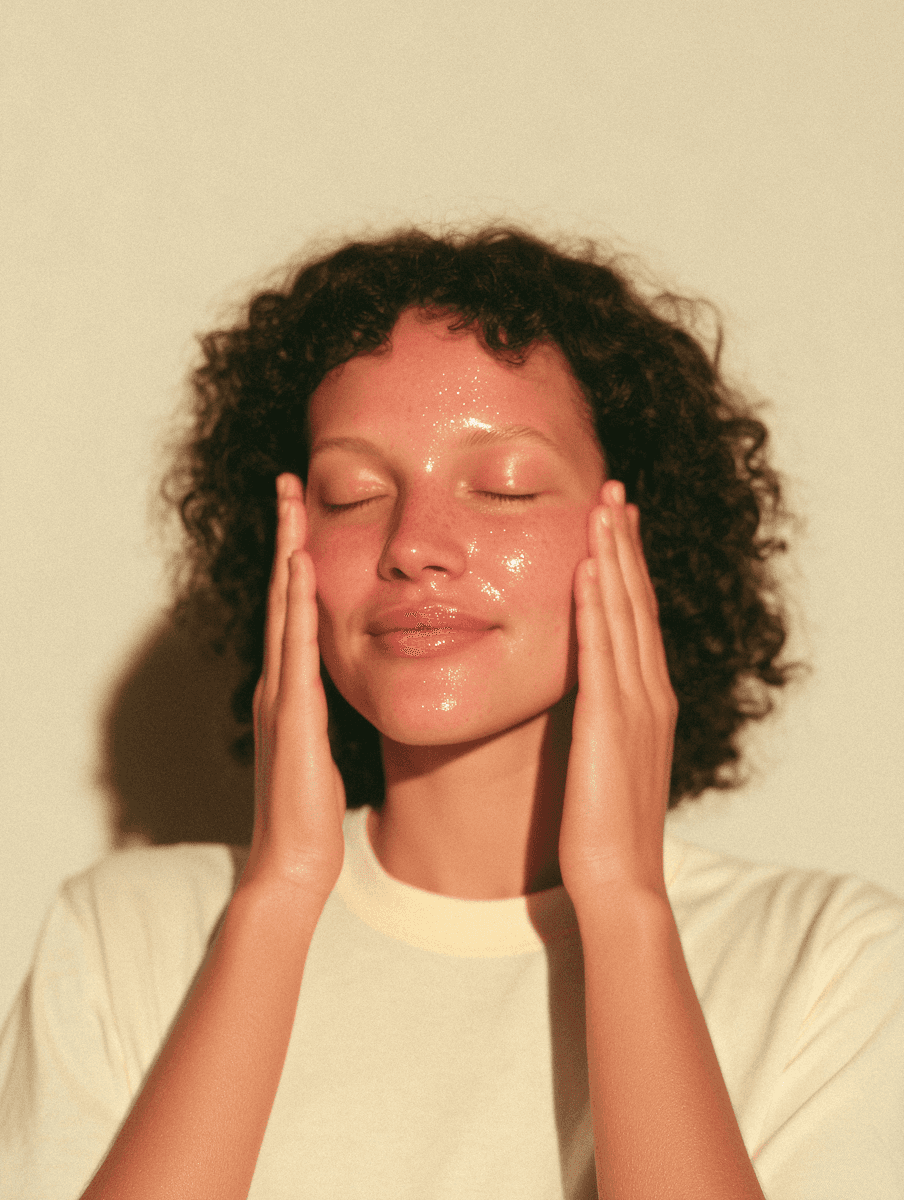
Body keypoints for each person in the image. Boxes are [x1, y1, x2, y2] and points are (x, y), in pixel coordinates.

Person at [1, 227, 902, 1199]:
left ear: (642, 537)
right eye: (352, 494)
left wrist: (622, 903)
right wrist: (280, 897)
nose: (413, 544)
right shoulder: (127, 938)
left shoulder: (824, 962)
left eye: (505, 487)